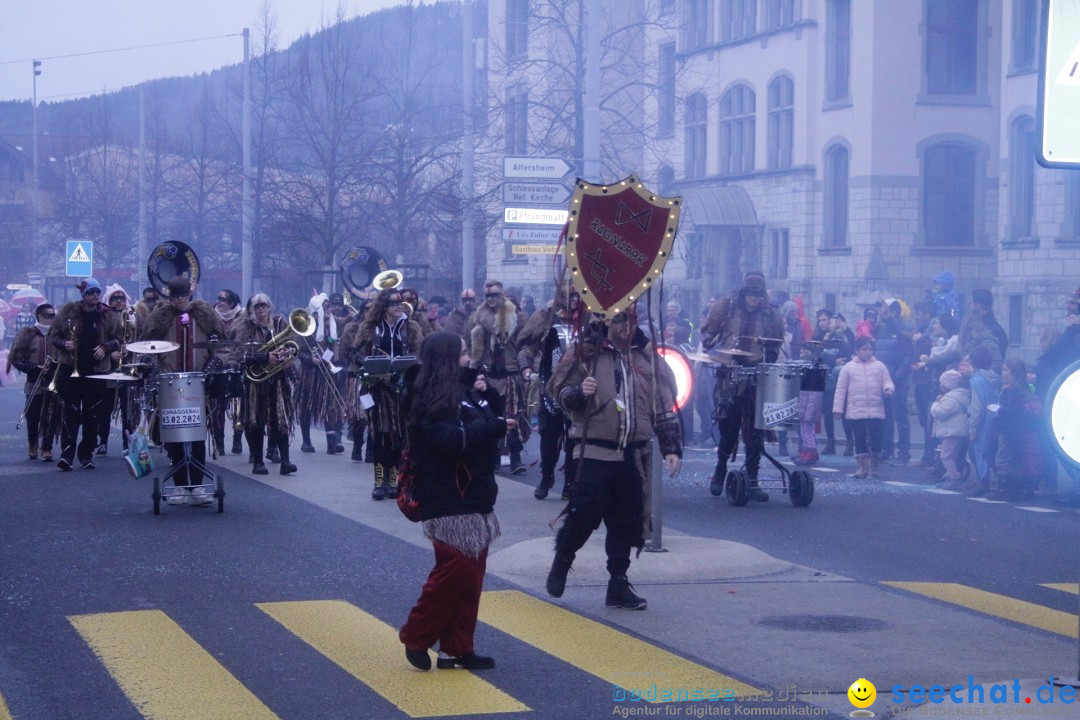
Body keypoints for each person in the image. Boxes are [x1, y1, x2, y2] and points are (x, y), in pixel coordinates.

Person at [544, 306, 682, 610]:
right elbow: (559, 392)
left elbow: (663, 403)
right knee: (584, 514)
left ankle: (617, 583)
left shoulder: (646, 357)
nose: (625, 326)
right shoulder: (586, 352)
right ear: (605, 321)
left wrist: (671, 447)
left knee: (626, 521)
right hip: (593, 448)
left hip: (631, 453)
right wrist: (579, 393)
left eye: (630, 319)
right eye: (619, 319)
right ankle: (563, 560)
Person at [398, 331, 511, 671]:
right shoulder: (431, 397)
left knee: (471, 578)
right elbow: (453, 441)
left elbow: (487, 423)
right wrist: (494, 427)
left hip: (473, 495)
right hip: (448, 499)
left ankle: (457, 648)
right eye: (463, 354)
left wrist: (488, 396)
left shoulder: (465, 390)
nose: (469, 359)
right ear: (448, 358)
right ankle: (417, 634)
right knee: (453, 574)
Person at [699, 271, 783, 500]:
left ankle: (753, 479)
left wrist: (770, 355)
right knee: (729, 426)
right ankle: (720, 470)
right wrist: (711, 346)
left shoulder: (770, 315)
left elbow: (776, 344)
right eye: (750, 294)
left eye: (758, 295)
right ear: (743, 293)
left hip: (756, 376)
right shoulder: (726, 307)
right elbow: (708, 332)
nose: (754, 299)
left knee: (756, 430)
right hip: (728, 375)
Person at [145, 277, 227, 503]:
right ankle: (180, 485)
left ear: (190, 294)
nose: (180, 299)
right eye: (175, 296)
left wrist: (214, 364)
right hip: (170, 383)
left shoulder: (206, 316)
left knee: (197, 434)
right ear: (169, 296)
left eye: (183, 295)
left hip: (198, 383)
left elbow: (222, 347)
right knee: (175, 435)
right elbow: (146, 347)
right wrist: (154, 365)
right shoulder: (160, 319)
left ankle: (198, 486)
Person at [351, 287, 423, 499]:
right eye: (393, 302)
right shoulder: (370, 327)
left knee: (398, 437)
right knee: (380, 436)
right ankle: (378, 482)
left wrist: (411, 365)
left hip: (401, 390)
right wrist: (365, 362)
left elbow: (420, 354)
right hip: (377, 389)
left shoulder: (411, 327)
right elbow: (353, 352)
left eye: (399, 301)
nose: (398, 305)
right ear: (383, 305)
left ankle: (393, 482)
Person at [49, 278, 123, 471]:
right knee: (70, 413)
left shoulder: (107, 314)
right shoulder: (68, 312)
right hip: (70, 371)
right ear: (83, 294)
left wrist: (106, 347)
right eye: (91, 292)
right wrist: (64, 344)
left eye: (97, 292)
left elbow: (119, 338)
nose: (95, 296)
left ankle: (86, 455)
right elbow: (53, 336)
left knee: (92, 416)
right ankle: (67, 455)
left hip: (97, 372)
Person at [517, 285, 583, 500]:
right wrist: (526, 368)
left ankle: (571, 483)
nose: (574, 300)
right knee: (548, 436)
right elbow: (527, 348)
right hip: (550, 386)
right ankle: (547, 477)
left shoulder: (589, 319)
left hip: (578, 386)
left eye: (577, 295)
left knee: (575, 437)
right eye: (570, 295)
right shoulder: (546, 318)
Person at [232, 293, 297, 476]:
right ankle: (258, 461)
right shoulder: (245, 327)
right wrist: (265, 356)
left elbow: (291, 346)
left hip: (278, 381)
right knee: (256, 421)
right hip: (255, 383)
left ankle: (286, 461)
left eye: (264, 305)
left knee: (281, 419)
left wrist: (286, 353)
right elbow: (239, 356)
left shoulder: (278, 324)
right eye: (257, 306)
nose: (261, 309)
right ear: (251, 309)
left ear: (270, 306)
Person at [469, 280, 529, 474]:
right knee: (490, 417)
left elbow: (527, 344)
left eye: (494, 295)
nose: (491, 299)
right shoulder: (478, 318)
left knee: (514, 416)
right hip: (488, 374)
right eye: (487, 296)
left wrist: (526, 367)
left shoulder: (517, 317)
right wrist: (474, 371)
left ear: (501, 295)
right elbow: (472, 348)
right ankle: (493, 457)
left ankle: (515, 457)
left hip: (511, 374)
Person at [832, 336, 895, 479]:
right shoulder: (848, 368)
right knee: (859, 439)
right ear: (857, 350)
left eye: (870, 349)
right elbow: (840, 389)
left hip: (876, 409)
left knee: (876, 439)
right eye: (864, 349)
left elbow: (887, 381)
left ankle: (874, 465)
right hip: (856, 410)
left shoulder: (880, 366)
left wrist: (888, 389)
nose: (868, 352)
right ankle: (862, 467)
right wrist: (837, 409)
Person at [295, 293, 346, 456]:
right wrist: (310, 359)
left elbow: (332, 346)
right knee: (307, 405)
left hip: (326, 371)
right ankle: (306, 441)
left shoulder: (331, 325)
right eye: (325, 306)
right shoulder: (306, 327)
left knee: (329, 406)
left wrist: (328, 358)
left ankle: (331, 443)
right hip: (310, 372)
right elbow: (298, 350)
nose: (329, 309)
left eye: (329, 306)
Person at [10, 303, 60, 461]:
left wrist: (54, 366)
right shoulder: (28, 334)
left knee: (52, 417)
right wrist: (34, 368)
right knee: (33, 417)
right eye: (48, 316)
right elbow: (16, 359)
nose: (52, 319)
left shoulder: (59, 335)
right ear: (39, 316)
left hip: (54, 381)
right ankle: (32, 443)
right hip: (34, 383)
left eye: (53, 316)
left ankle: (47, 448)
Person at [991, 357, 1041, 500]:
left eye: (1006, 370)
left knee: (1003, 458)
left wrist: (998, 410)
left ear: (1014, 373)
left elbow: (1013, 412)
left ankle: (1005, 489)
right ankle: (1012, 488)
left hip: (1008, 429)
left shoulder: (1012, 390)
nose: (1002, 373)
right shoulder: (1021, 389)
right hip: (1016, 430)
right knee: (1012, 458)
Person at [97, 284, 139, 455]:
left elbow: (142, 339)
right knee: (105, 407)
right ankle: (103, 441)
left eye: (122, 298)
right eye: (115, 298)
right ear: (109, 300)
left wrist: (131, 349)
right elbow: (98, 340)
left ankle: (126, 443)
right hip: (108, 368)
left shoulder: (133, 316)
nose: (119, 301)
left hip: (128, 367)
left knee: (127, 408)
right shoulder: (103, 317)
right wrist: (110, 353)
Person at [875, 299, 914, 464]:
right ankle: (887, 449)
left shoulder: (905, 328)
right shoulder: (881, 329)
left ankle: (904, 452)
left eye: (887, 310)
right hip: (884, 379)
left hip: (898, 380)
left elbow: (908, 355)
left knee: (900, 416)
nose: (883, 313)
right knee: (886, 417)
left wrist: (897, 376)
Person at [212, 288, 245, 456]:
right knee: (218, 405)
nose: (219, 302)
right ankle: (219, 441)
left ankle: (237, 439)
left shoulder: (243, 317)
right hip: (218, 365)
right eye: (218, 298)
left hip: (237, 364)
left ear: (232, 303)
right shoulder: (211, 316)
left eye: (223, 299)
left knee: (238, 404)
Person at [964, 346, 999, 496]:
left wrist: (972, 428)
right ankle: (991, 481)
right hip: (993, 419)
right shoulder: (993, 378)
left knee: (978, 452)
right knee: (990, 452)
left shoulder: (976, 380)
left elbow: (976, 407)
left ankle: (983, 482)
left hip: (981, 422)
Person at [930, 369, 971, 489]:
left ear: (948, 385)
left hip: (952, 432)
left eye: (942, 383)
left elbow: (939, 413)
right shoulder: (962, 395)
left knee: (946, 456)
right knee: (952, 455)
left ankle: (954, 478)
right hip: (957, 431)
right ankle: (949, 477)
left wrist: (935, 403)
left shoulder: (950, 399)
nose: (940, 386)